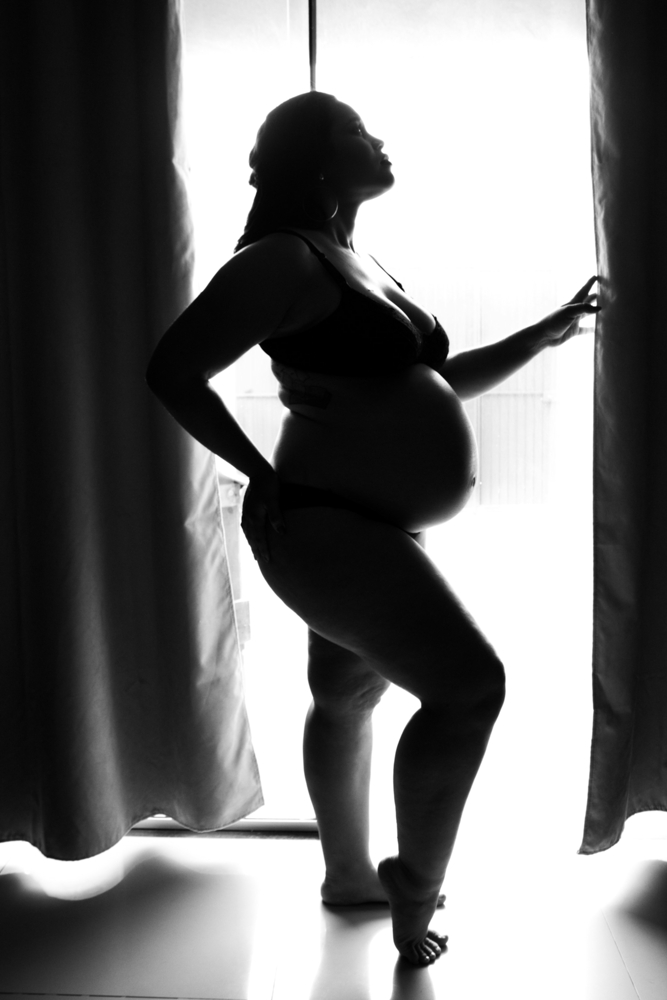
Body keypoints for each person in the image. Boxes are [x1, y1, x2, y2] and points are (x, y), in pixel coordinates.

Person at [146, 91, 599, 967]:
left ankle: (347, 876)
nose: (379, 138)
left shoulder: (357, 259)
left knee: (347, 697)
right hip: (323, 523)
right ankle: (410, 889)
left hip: (368, 525)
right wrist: (262, 467)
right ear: (313, 160)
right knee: (469, 687)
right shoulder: (280, 259)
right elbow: (173, 369)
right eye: (357, 131)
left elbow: (438, 378)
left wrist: (542, 334)